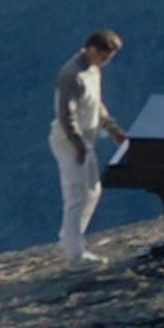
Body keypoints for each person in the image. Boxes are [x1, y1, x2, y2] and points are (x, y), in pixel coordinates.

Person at [51, 28, 127, 264]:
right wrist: (77, 145)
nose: (105, 63)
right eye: (104, 57)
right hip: (69, 142)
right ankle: (75, 253)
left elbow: (95, 104)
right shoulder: (71, 75)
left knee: (92, 191)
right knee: (75, 194)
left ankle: (69, 237)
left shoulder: (92, 70)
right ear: (92, 49)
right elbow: (66, 114)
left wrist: (111, 128)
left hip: (87, 139)